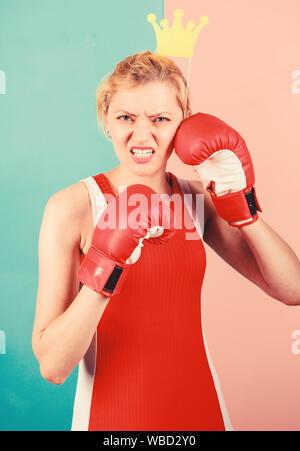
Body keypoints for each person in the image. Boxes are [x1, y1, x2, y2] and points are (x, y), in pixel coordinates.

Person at [32, 51, 300, 431]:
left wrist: (243, 207)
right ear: (106, 117)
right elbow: (53, 366)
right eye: (126, 117)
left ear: (184, 124)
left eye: (160, 119)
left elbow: (292, 288)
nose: (142, 136)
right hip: (111, 420)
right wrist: (106, 265)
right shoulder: (74, 207)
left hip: (202, 411)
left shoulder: (196, 200)